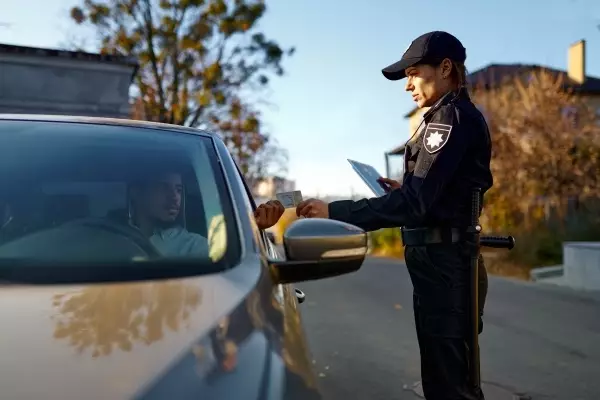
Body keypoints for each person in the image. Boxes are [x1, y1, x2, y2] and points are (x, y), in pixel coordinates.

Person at [296, 31, 492, 400]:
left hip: (447, 267)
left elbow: (416, 206)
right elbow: (432, 197)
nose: (408, 86)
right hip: (440, 264)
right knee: (444, 377)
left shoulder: (449, 118)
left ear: (445, 67)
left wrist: (335, 211)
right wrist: (406, 192)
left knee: (449, 385)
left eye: (414, 73)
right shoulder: (445, 116)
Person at [127, 171, 285, 257]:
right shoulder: (107, 234)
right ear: (136, 192)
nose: (174, 197)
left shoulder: (193, 245)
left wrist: (253, 230)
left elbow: (231, 255)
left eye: (178, 190)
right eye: (163, 188)